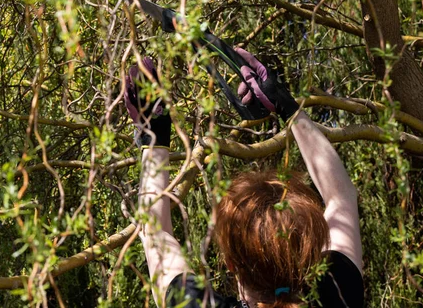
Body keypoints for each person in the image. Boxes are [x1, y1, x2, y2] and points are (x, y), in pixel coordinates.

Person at [124, 51, 364, 308]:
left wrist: (154, 136)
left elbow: (155, 232)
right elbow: (341, 197)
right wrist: (287, 106)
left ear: (231, 264)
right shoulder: (338, 294)